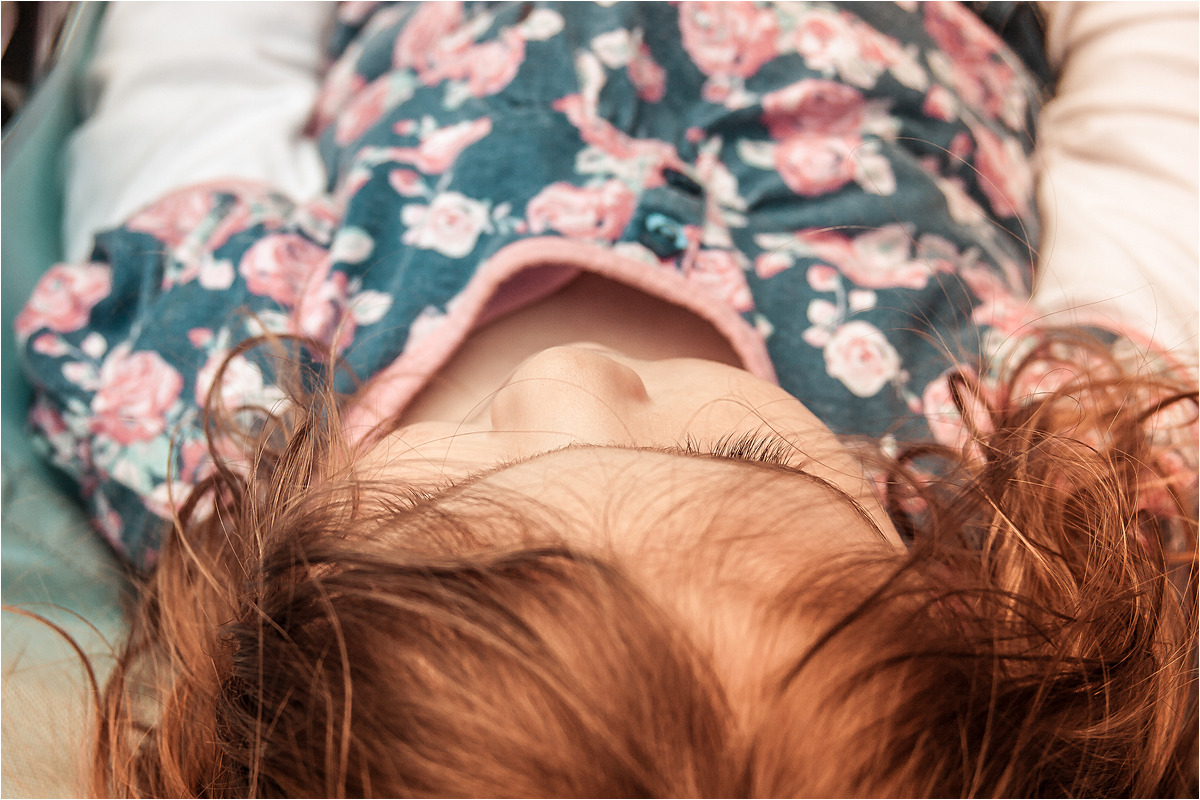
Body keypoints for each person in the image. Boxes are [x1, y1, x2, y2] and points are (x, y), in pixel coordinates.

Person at [15, 2, 1197, 796]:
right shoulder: (1036, 460)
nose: (569, 374)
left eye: (454, 487)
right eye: (741, 456)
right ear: (942, 609)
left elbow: (199, 70)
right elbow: (1157, 120)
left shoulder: (218, 403)